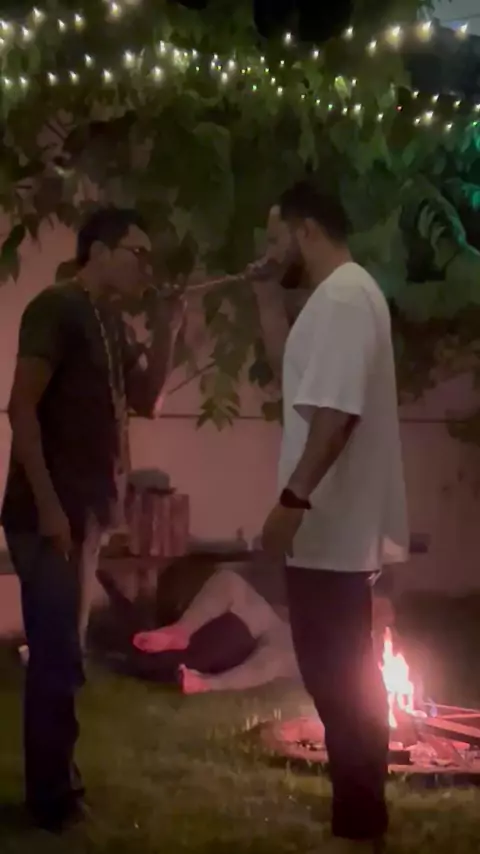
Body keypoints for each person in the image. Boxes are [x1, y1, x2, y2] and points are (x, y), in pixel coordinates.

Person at [1, 207, 184, 832]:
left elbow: (148, 399)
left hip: (87, 517)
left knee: (64, 653)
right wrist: (50, 507)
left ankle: (57, 789)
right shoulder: (56, 308)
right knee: (57, 656)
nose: (146, 267)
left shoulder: (110, 323)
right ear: (99, 251)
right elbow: (20, 408)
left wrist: (168, 328)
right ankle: (52, 801)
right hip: (49, 516)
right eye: (138, 253)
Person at [259, 182, 409, 854]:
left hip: (330, 525)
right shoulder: (334, 299)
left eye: (275, 238)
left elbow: (338, 413)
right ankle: (358, 819)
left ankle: (360, 824)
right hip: (327, 528)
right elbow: (295, 383)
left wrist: (292, 501)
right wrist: (267, 299)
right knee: (334, 675)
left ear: (305, 230)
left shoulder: (346, 297)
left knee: (341, 678)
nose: (271, 252)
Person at [131, 559, 299, 692]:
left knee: (275, 658)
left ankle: (206, 683)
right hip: (276, 624)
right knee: (230, 580)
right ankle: (181, 631)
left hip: (293, 648)